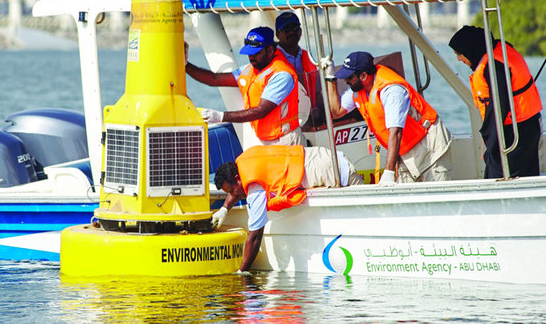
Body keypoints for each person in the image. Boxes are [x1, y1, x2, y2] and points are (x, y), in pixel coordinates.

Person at [211, 145, 360, 271]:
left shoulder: (255, 189)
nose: (232, 195)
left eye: (231, 191)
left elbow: (255, 236)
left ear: (237, 178)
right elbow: (238, 189)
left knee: (362, 210)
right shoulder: (244, 162)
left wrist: (242, 272)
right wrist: (224, 209)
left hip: (331, 169)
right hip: (322, 155)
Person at [322, 51, 452, 185]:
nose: (346, 81)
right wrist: (330, 78)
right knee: (406, 197)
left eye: (349, 77)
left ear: (364, 76)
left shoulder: (392, 91)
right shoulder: (358, 90)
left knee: (437, 193)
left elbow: (395, 132)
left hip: (430, 146)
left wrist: (388, 173)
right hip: (405, 151)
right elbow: (336, 112)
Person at [448, 25, 542, 178]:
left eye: (459, 53)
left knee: (499, 178)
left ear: (469, 48)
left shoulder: (493, 65)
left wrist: (491, 144)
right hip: (526, 126)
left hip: (514, 133)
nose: (458, 59)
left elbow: (500, 105)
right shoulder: (500, 53)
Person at [186, 26, 305, 146]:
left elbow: (260, 111)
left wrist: (221, 116)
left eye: (256, 53)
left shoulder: (282, 75)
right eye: (249, 53)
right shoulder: (248, 70)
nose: (251, 57)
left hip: (286, 140)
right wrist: (184, 64)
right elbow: (214, 79)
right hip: (267, 139)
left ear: (269, 51)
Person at [274, 11, 325, 128]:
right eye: (286, 29)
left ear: (301, 31)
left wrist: (317, 109)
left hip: (309, 118)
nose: (292, 32)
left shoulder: (309, 57)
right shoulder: (270, 59)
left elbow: (317, 90)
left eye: (295, 28)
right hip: (283, 122)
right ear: (278, 34)